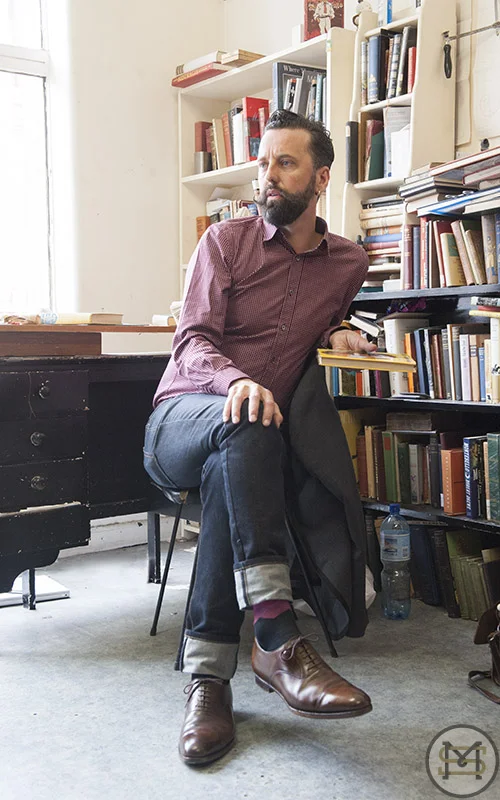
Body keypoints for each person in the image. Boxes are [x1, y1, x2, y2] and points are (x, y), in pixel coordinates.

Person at [143, 109, 376, 767]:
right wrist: (237, 381)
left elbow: (326, 317)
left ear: (321, 179)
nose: (267, 176)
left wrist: (339, 333)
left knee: (241, 451)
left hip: (249, 444)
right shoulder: (225, 242)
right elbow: (191, 341)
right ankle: (275, 633)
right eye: (263, 162)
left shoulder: (348, 262)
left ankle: (208, 683)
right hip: (181, 420)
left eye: (285, 163)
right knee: (244, 421)